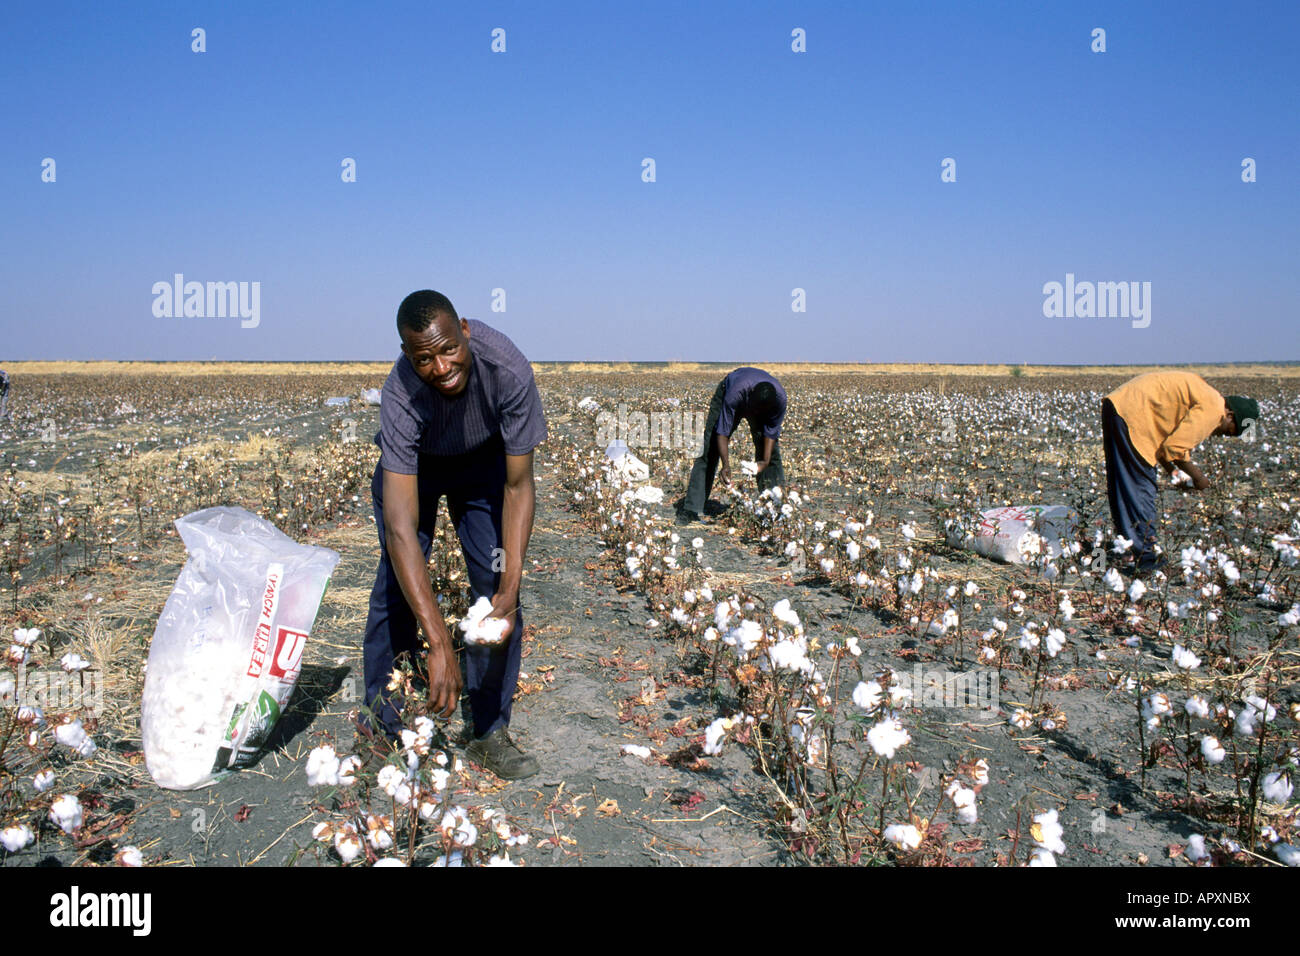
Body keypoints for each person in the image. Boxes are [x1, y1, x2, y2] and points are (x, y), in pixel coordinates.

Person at [359, 290, 546, 779]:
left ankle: (488, 731)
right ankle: (387, 725)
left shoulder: (507, 369)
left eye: (448, 350)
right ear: (407, 356)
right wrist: (439, 641)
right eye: (423, 358)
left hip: (484, 462)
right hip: (416, 466)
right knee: (396, 590)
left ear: (464, 328)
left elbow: (518, 485)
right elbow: (402, 530)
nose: (440, 367)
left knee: (497, 580)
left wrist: (509, 584)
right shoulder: (400, 395)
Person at [1102, 370, 1257, 574]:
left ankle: (1131, 550)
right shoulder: (1214, 410)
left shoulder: (1209, 397)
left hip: (1120, 408)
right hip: (1133, 414)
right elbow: (1174, 448)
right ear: (1230, 415)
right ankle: (1145, 559)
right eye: (1229, 431)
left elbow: (1170, 449)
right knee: (1141, 487)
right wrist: (1199, 478)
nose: (1222, 436)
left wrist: (1173, 473)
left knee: (1125, 485)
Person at [678, 367, 787, 523]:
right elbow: (722, 432)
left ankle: (776, 507)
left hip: (757, 399)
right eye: (755, 410)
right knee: (709, 448)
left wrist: (765, 462)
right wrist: (726, 465)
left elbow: (770, 433)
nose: (754, 415)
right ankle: (692, 509)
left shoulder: (779, 401)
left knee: (771, 454)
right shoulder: (735, 394)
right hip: (731, 390)